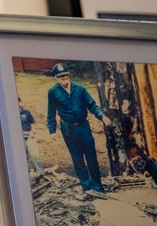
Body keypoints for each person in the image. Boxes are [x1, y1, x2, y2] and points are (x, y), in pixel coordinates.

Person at [46, 63, 112, 197]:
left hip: (83, 127)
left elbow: (92, 105)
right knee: (77, 159)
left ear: (68, 76)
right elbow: (51, 112)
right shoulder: (52, 92)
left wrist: (102, 117)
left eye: (66, 77)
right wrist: (52, 131)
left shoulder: (80, 89)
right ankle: (86, 188)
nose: (65, 80)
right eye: (61, 78)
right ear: (56, 79)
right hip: (68, 129)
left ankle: (98, 188)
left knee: (91, 157)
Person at [20, 97, 42, 173]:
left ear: (20, 102)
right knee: (25, 155)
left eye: (18, 101)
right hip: (20, 136)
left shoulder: (26, 112)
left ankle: (40, 172)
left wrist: (33, 132)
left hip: (28, 134)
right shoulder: (11, 113)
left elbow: (32, 123)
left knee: (35, 154)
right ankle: (28, 173)